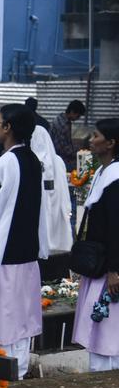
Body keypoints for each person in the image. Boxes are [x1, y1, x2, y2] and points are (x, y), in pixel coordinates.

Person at [0, 104, 48, 378]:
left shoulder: (1, 165)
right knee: (22, 312)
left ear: (7, 128)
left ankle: (2, 368)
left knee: (2, 314)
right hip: (27, 251)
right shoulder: (32, 160)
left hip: (4, 253)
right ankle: (19, 366)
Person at [71, 118, 119, 371]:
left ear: (111, 143)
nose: (91, 140)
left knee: (109, 332)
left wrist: (114, 269)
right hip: (99, 264)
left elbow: (116, 227)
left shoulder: (115, 179)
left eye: (96, 136)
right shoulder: (102, 172)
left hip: (110, 268)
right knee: (100, 331)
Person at [30, 125, 73, 254]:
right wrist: (67, 208)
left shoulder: (31, 161)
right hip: (57, 206)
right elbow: (64, 188)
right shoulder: (58, 160)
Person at [49, 100, 85, 172]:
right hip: (58, 158)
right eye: (78, 115)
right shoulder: (63, 125)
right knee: (84, 162)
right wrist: (79, 152)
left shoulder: (60, 118)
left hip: (58, 155)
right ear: (72, 111)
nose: (78, 118)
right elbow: (63, 149)